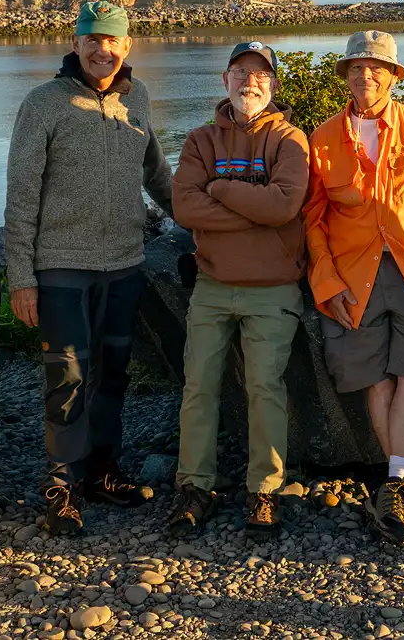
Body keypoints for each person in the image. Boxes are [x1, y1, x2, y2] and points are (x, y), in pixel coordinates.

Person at [4, 0, 172, 536]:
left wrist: (200, 220)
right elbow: (21, 196)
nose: (103, 50)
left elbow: (157, 174)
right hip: (61, 268)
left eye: (113, 41)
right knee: (67, 376)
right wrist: (21, 277)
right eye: (92, 40)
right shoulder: (43, 104)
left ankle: (102, 471)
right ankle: (61, 485)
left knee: (113, 374)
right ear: (76, 44)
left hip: (124, 264)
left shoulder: (138, 98)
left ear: (128, 46)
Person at [302, 30, 404, 544]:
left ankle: (397, 480)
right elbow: (312, 219)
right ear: (345, 76)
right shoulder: (322, 139)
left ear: (393, 76)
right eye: (356, 69)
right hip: (352, 279)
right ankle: (403, 483)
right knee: (375, 377)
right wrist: (327, 281)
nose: (365, 77)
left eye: (377, 69)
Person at [166, 41, 309, 540]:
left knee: (264, 388)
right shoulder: (200, 141)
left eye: (261, 75)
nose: (251, 82)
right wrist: (255, 208)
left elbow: (284, 207)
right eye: (241, 72)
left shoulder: (291, 141)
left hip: (273, 289)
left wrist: (222, 191)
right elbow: (184, 207)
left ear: (272, 85)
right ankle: (194, 487)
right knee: (198, 386)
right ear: (225, 79)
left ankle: (263, 491)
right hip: (211, 284)